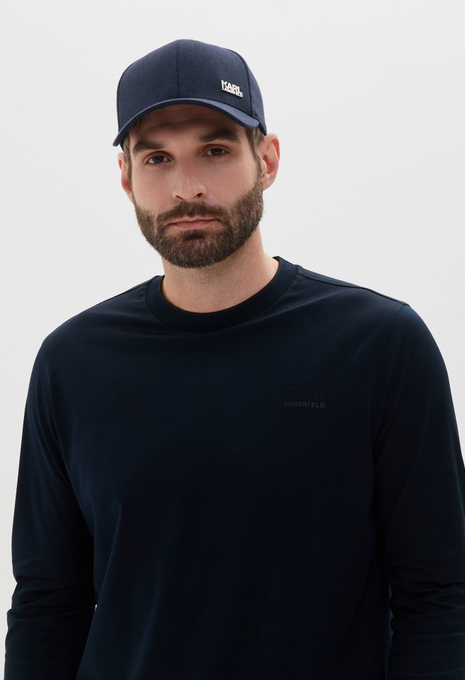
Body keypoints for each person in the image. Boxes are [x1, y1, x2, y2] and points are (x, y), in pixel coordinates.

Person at [4, 38, 465, 680]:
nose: (187, 188)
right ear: (126, 177)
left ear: (266, 159)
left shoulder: (381, 344)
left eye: (215, 150)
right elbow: (49, 603)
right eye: (157, 158)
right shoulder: (72, 363)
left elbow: (440, 596)